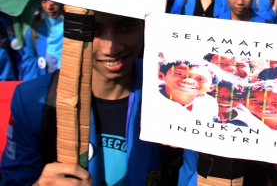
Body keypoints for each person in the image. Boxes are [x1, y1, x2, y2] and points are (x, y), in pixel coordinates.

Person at [1, 11, 196, 185]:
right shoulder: (33, 101)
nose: (111, 48)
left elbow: (192, 174)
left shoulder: (183, 95)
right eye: (92, 29)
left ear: (144, 24)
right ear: (67, 26)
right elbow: (14, 178)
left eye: (126, 26)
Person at [19, 0, 64, 81]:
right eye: (44, 1)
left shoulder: (76, 30)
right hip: (46, 87)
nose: (49, 7)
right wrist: (33, 88)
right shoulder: (35, 30)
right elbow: (29, 61)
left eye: (54, 1)